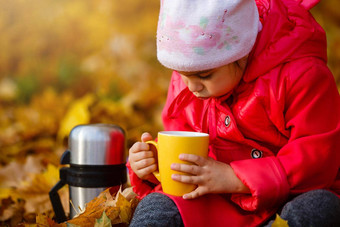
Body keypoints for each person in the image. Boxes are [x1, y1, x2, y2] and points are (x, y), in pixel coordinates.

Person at [127, 0, 340, 226]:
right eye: (181, 74)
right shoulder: (191, 79)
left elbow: (316, 158)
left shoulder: (302, 75)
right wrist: (153, 166)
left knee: (319, 207)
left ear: (241, 52)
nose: (191, 87)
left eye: (205, 75)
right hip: (215, 203)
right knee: (158, 207)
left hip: (287, 199)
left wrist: (236, 178)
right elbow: (183, 142)